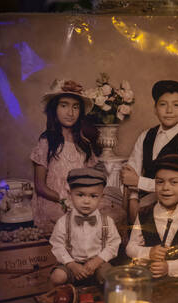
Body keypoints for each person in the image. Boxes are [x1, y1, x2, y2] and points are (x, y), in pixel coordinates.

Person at [121, 80, 178, 222]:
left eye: (176, 105)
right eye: (163, 104)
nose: (169, 111)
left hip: (173, 210)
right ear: (155, 108)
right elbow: (130, 174)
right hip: (140, 205)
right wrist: (133, 201)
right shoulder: (146, 135)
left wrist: (139, 182)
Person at [31, 79, 99, 230]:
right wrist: (64, 200)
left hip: (80, 202)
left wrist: (83, 200)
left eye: (75, 107)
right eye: (64, 106)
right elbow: (40, 186)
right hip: (55, 202)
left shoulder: (84, 144)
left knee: (107, 218)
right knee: (74, 225)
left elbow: (90, 180)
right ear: (54, 110)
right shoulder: (46, 142)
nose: (70, 113)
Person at [126, 154, 178, 279]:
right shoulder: (144, 213)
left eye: (174, 182)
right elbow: (130, 248)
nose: (165, 188)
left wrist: (170, 267)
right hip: (149, 281)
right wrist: (149, 253)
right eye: (160, 182)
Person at [49, 168, 121, 286]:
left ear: (102, 197)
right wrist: (71, 264)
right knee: (57, 277)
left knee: (111, 277)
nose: (86, 201)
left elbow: (113, 243)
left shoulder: (107, 222)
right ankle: (68, 294)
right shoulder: (63, 222)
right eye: (80, 195)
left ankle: (100, 295)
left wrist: (98, 260)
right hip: (72, 263)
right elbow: (57, 245)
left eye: (93, 196)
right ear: (70, 194)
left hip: (98, 263)